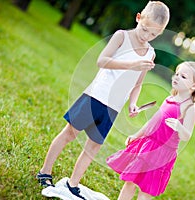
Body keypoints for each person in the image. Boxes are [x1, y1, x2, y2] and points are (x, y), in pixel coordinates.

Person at [36, 1, 170, 199]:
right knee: (69, 134)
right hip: (95, 97)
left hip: (112, 108)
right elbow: (102, 61)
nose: (146, 36)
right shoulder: (121, 37)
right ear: (138, 17)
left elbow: (137, 82)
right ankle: (45, 172)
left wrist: (133, 102)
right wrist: (132, 63)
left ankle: (73, 184)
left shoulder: (150, 53)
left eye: (153, 35)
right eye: (144, 30)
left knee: (93, 146)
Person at [106, 61, 195, 200]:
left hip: (163, 153)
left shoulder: (190, 108)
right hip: (148, 145)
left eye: (183, 76)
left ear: (194, 85)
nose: (177, 77)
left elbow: (186, 136)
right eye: (176, 74)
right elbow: (152, 122)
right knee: (130, 182)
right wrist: (136, 135)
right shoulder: (170, 98)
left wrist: (179, 127)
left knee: (145, 190)